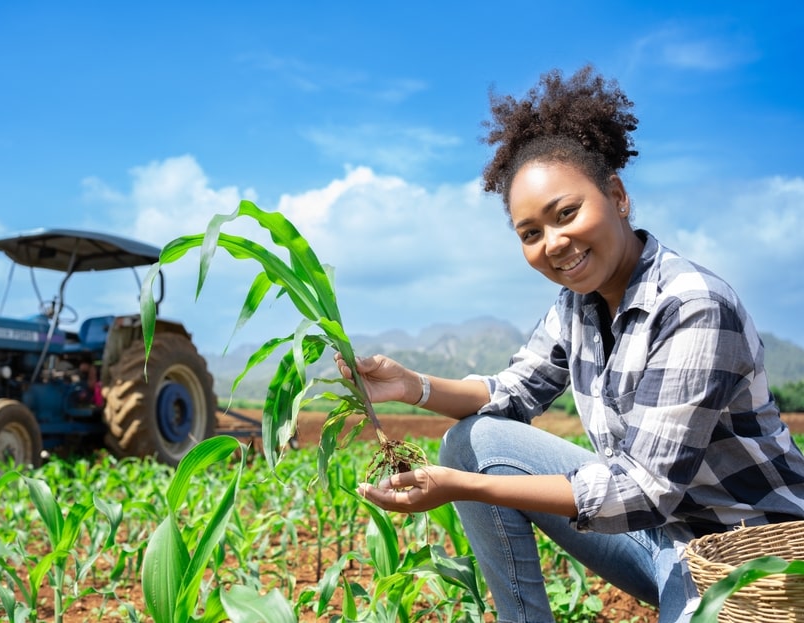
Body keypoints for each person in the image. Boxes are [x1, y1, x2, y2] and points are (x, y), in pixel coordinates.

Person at [336, 65, 804, 623]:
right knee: (473, 441)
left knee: (470, 470)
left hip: (751, 563)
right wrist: (410, 386)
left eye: (567, 214)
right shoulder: (576, 307)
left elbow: (644, 491)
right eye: (530, 233)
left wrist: (464, 489)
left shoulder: (692, 305)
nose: (554, 244)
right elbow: (507, 395)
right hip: (661, 540)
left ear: (617, 195)